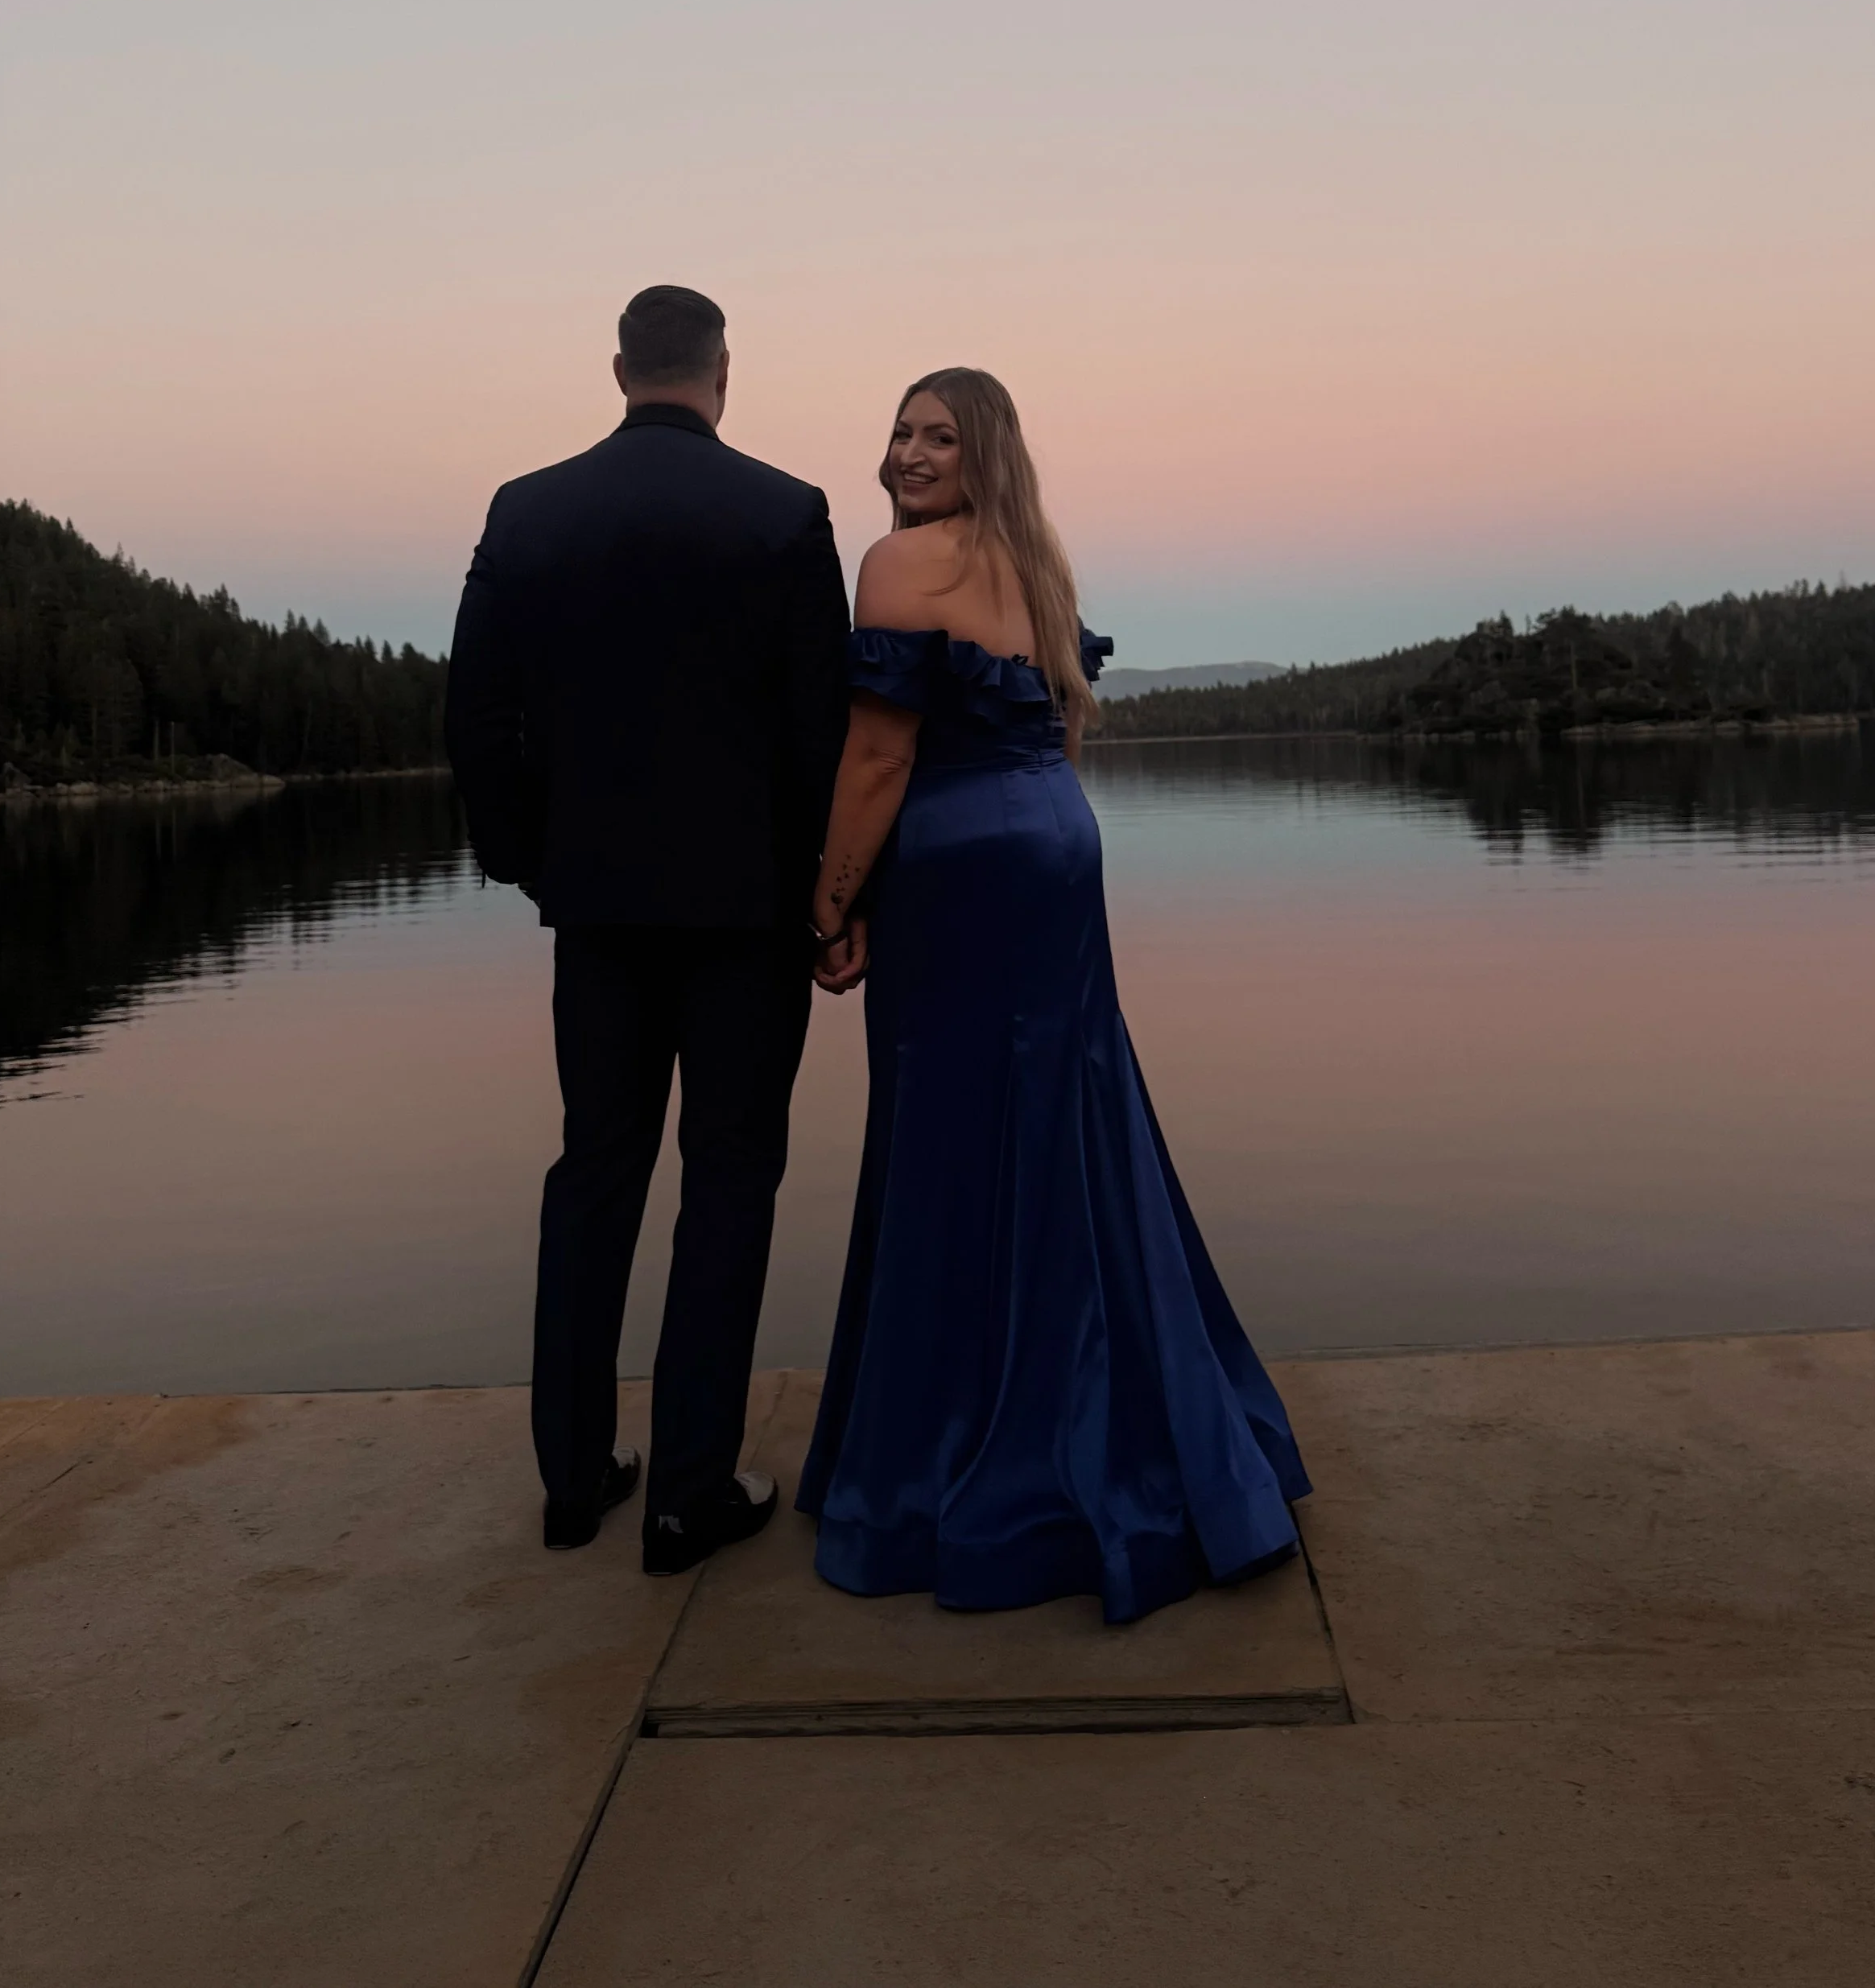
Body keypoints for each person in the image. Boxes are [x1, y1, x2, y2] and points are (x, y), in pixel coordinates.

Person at [799, 368, 1308, 1623]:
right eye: (903, 431)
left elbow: (878, 752)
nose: (911, 454)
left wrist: (828, 905)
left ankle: (959, 1446)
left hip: (960, 859)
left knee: (949, 1133)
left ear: (986, 455)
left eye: (941, 437)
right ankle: (1129, 1418)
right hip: (1057, 846)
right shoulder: (1043, 568)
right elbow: (1064, 733)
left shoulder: (895, 566)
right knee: (1071, 1124)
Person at [445, 287, 849, 1572]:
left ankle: (573, 1481)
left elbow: (476, 716)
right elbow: (820, 734)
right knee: (729, 1178)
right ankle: (685, 1492)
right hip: (747, 917)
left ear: (620, 369)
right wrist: (835, 900)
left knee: (595, 1173)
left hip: (598, 912)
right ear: (722, 374)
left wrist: (527, 860)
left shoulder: (528, 509)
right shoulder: (785, 513)